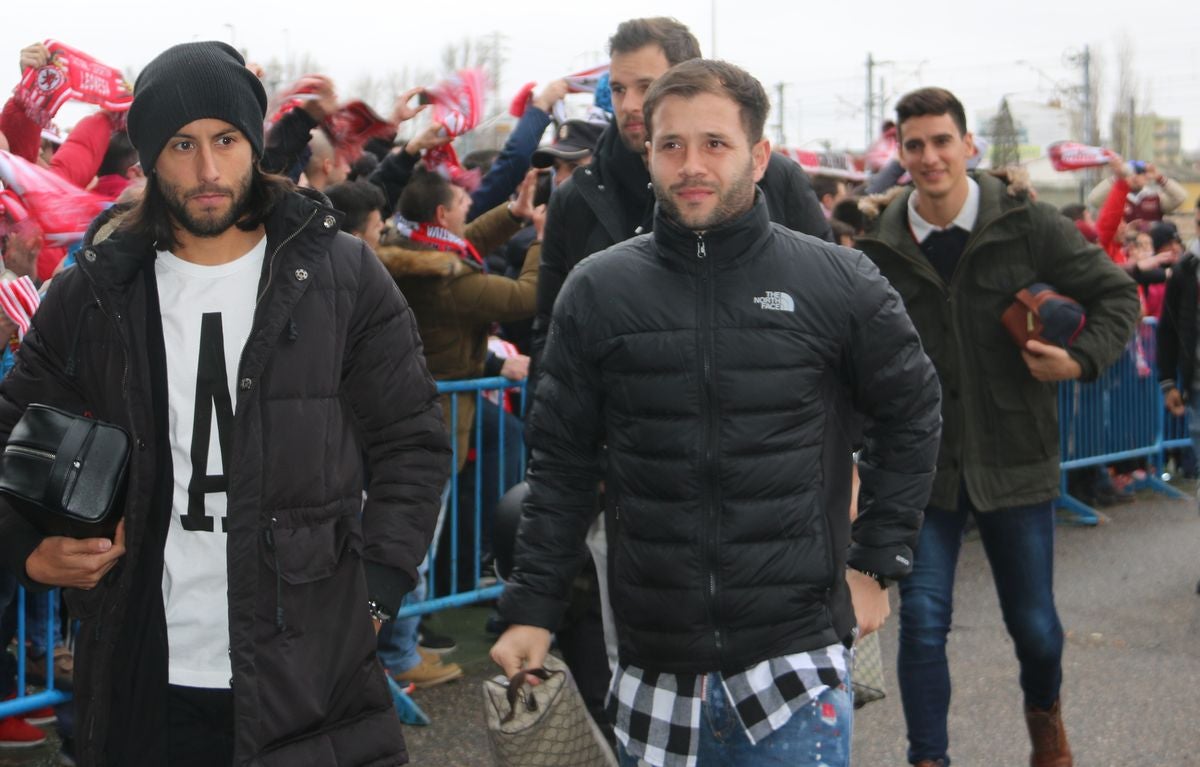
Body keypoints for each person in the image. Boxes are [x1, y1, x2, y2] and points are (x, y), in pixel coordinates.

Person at [0, 41, 451, 766]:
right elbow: (9, 431)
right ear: (148, 155)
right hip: (143, 667)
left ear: (255, 144)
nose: (208, 171)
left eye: (226, 140)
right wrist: (24, 549)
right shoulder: (97, 288)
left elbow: (412, 439)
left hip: (311, 670)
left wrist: (378, 593)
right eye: (181, 144)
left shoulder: (338, 271)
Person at [491, 58, 942, 767]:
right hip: (652, 668)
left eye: (715, 143)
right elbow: (562, 466)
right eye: (671, 145)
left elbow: (912, 410)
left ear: (759, 156)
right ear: (649, 154)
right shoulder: (597, 290)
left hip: (796, 664)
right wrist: (532, 606)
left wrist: (875, 560)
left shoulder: (837, 279)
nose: (691, 164)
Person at [855, 87, 1140, 767]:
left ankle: (1046, 721)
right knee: (921, 624)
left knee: (1036, 630)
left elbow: (1119, 294)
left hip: (1016, 457)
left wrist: (1079, 359)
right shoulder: (881, 246)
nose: (929, 157)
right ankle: (930, 758)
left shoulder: (1026, 225)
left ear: (968, 145)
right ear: (900, 152)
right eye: (914, 144)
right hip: (923, 470)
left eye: (941, 141)